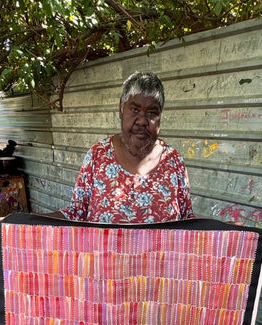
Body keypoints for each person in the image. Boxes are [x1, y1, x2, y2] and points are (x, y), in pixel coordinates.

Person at [49, 72, 194, 224]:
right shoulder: (98, 155)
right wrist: (34, 224)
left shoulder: (173, 160)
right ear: (121, 109)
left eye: (152, 113)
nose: (142, 121)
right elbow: (76, 213)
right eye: (135, 110)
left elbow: (187, 220)